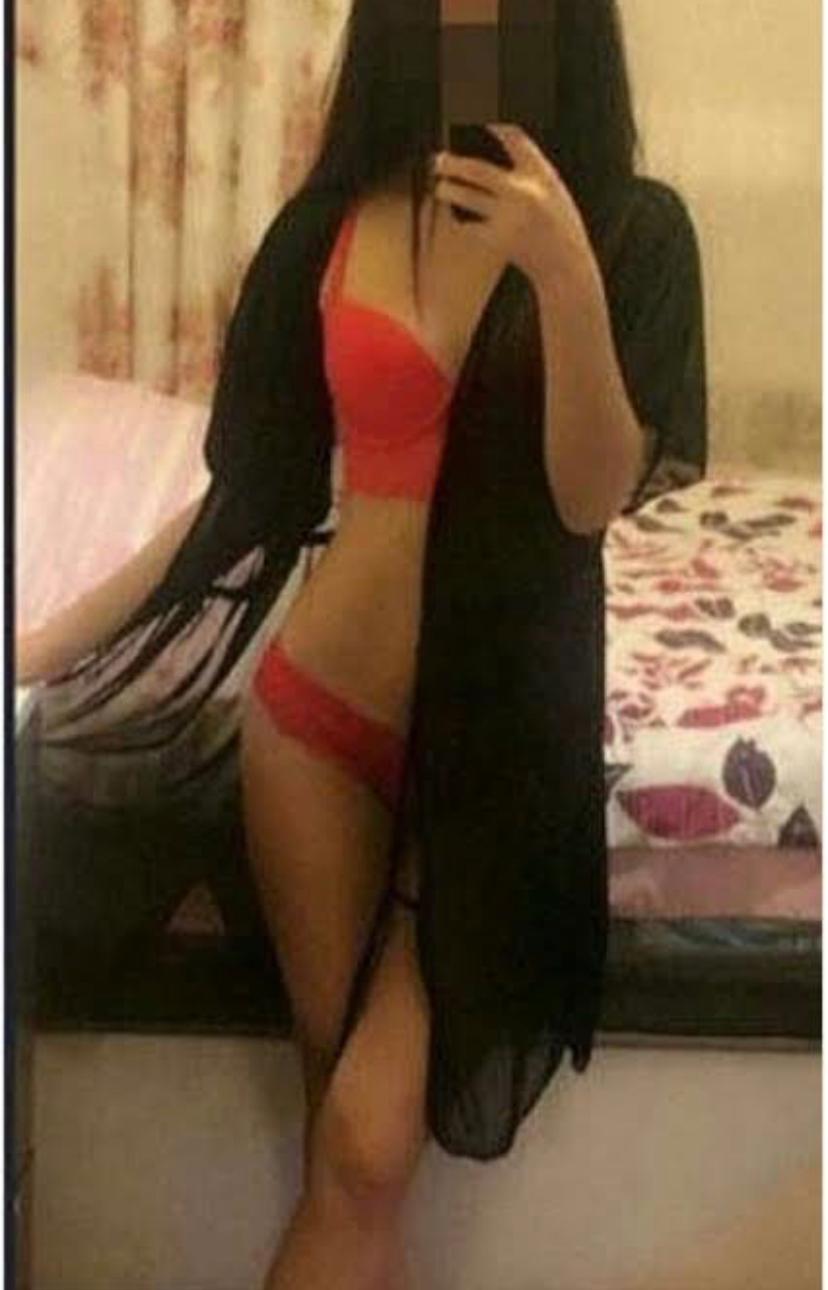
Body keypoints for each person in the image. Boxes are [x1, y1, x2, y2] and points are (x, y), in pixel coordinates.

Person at [16, 1, 708, 1286]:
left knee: (364, 1144)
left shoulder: (629, 231)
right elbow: (244, 501)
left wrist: (563, 275)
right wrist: (40, 643)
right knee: (347, 1148)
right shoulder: (329, 226)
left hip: (491, 751)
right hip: (316, 729)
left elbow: (588, 500)